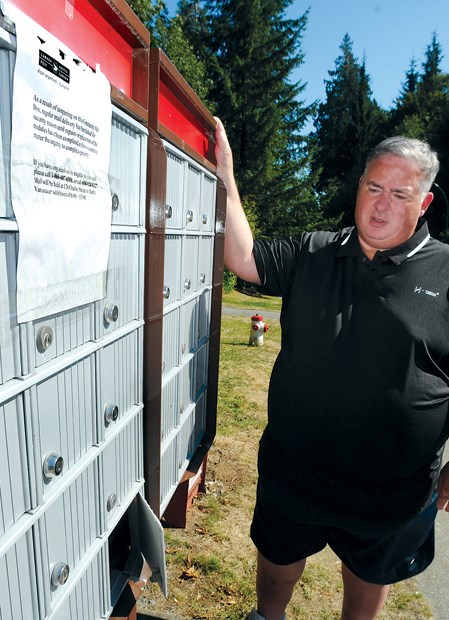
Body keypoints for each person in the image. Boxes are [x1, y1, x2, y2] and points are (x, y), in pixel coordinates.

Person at [214, 117, 449, 620]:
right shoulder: (314, 251)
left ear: (424, 203)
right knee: (278, 561)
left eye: (400, 194)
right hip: (295, 470)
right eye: (373, 187)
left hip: (392, 489)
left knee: (367, 577)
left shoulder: (447, 273)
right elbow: (244, 257)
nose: (381, 203)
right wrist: (226, 175)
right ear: (359, 186)